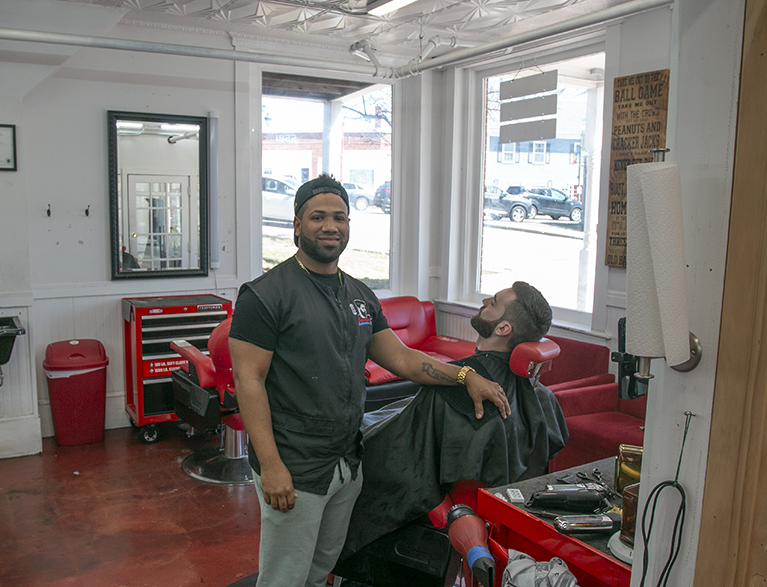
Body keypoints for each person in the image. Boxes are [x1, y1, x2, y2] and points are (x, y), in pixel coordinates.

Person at [228, 173, 511, 587]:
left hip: (346, 463)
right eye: (318, 217)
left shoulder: (359, 295)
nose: (330, 226)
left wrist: (465, 375)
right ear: (296, 226)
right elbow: (248, 381)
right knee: (283, 577)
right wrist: (271, 467)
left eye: (339, 217)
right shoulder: (265, 295)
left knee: (323, 567)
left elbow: (400, 358)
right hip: (295, 462)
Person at [335, 281, 569, 571]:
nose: (484, 300)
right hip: (505, 512)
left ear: (503, 328)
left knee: (347, 457)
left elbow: (406, 457)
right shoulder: (540, 394)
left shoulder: (455, 388)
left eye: (494, 302)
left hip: (446, 507)